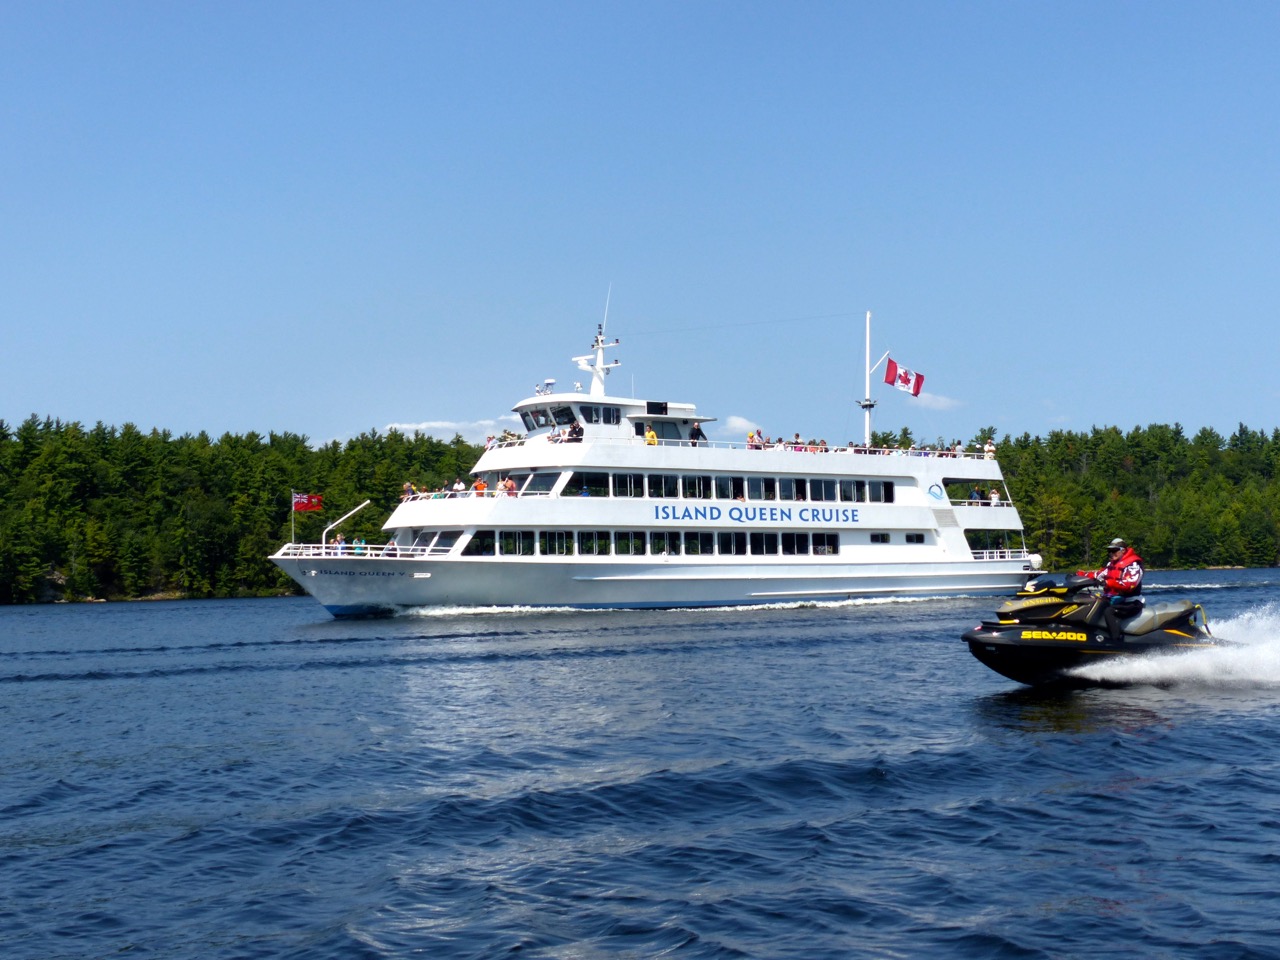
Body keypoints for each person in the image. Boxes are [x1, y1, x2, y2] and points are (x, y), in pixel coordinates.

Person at [1078, 537, 1145, 642]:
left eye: (1114, 550)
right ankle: (1090, 635)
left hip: (1131, 602)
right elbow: (1098, 575)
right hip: (1115, 600)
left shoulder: (1133, 565)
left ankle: (1116, 642)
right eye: (1109, 551)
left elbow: (1130, 584)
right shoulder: (1111, 565)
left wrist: (1108, 582)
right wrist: (1080, 575)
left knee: (1109, 611)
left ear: (1122, 550)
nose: (1111, 553)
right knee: (1091, 602)